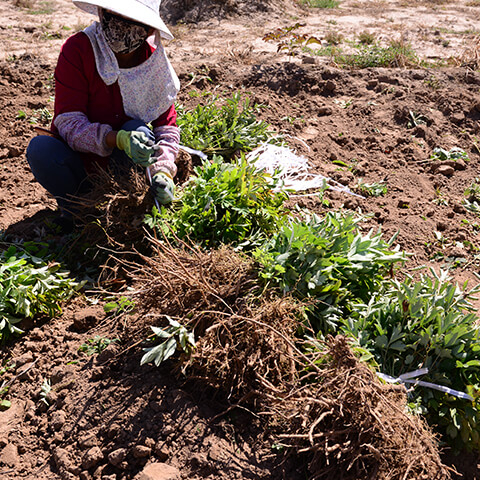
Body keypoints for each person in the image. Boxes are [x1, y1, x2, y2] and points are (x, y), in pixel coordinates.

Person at [26, 0, 180, 233]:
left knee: (137, 128)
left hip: (125, 166)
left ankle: (125, 204)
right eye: (114, 14)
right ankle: (75, 211)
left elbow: (166, 127)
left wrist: (163, 169)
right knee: (41, 149)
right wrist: (116, 138)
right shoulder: (79, 50)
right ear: (102, 12)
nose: (119, 24)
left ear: (148, 30)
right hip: (78, 163)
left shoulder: (151, 61)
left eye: (130, 20)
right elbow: (69, 123)